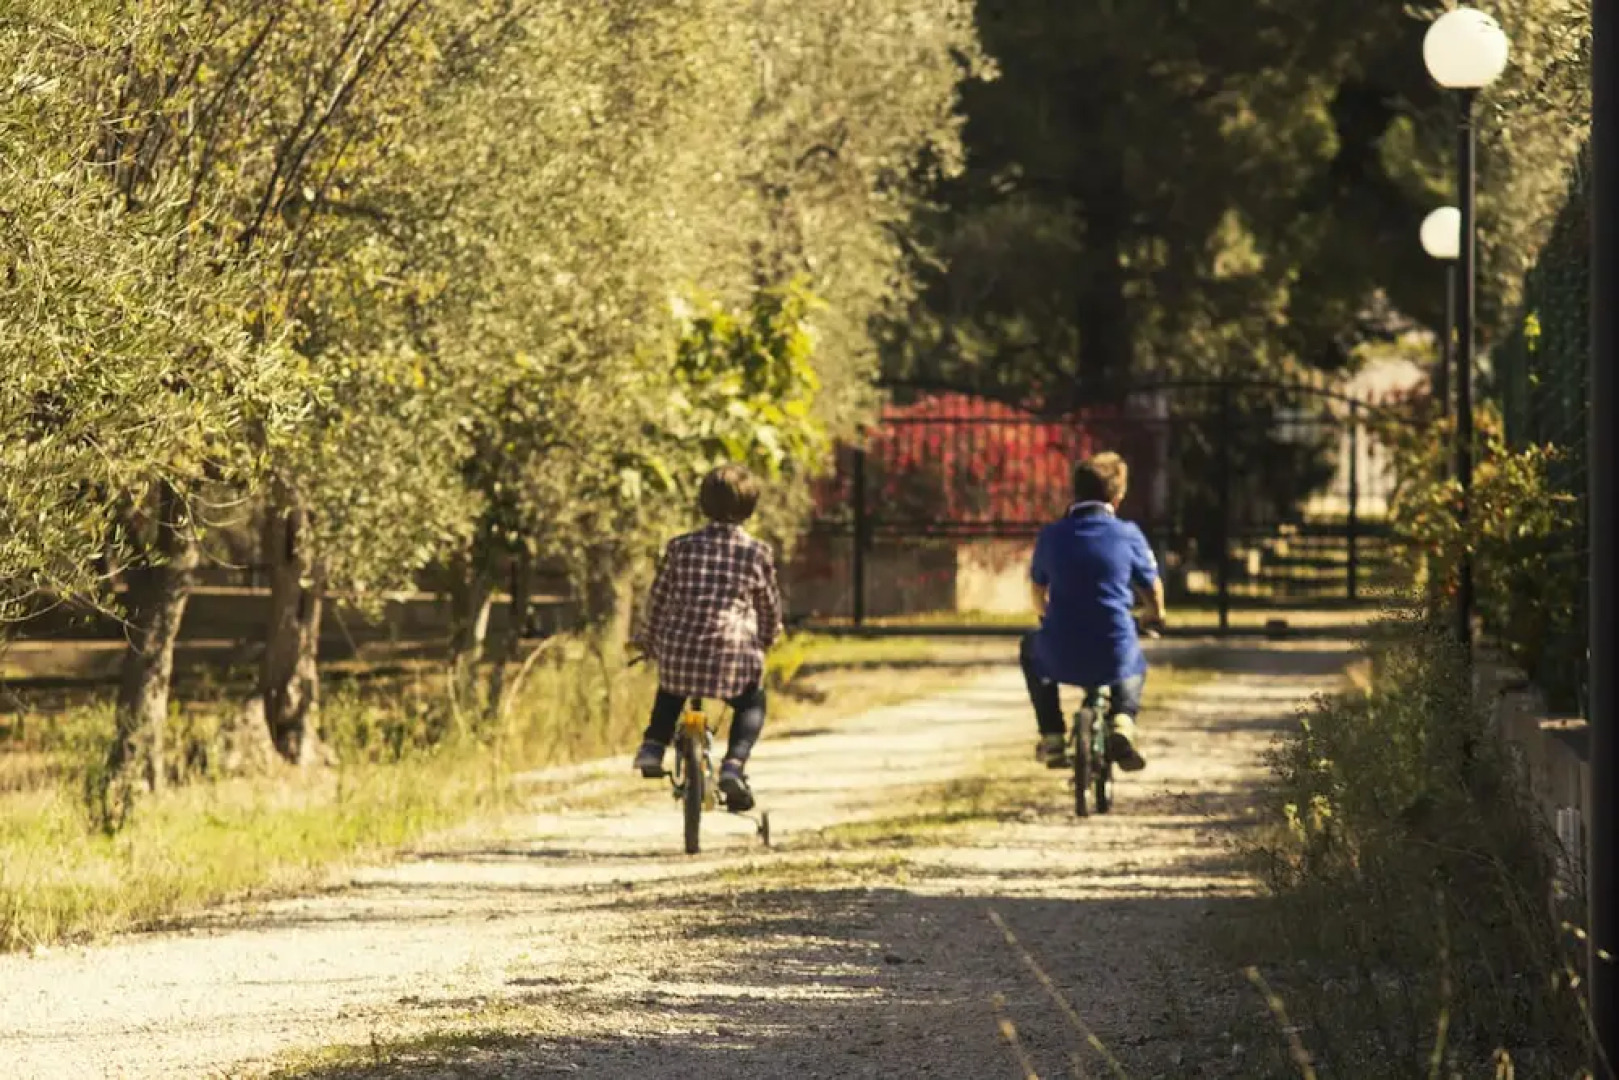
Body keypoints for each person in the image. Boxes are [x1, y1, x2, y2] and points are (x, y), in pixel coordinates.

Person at [630, 464, 783, 812]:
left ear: (703, 504)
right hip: (732, 655)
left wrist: (648, 640)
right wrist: (769, 635)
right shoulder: (756, 553)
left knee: (670, 691)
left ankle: (652, 746)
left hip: (680, 650)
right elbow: (768, 604)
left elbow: (659, 599)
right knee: (751, 701)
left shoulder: (680, 547)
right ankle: (734, 765)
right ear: (750, 507)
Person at [1020, 452, 1166, 772]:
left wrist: (1046, 618)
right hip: (1111, 646)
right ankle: (1123, 723)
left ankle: (1053, 735)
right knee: (1133, 657)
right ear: (1118, 495)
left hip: (1061, 649)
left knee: (1030, 646)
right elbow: (1151, 587)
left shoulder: (1052, 535)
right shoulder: (1128, 534)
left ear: (1075, 491)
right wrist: (1155, 614)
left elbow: (1036, 590)